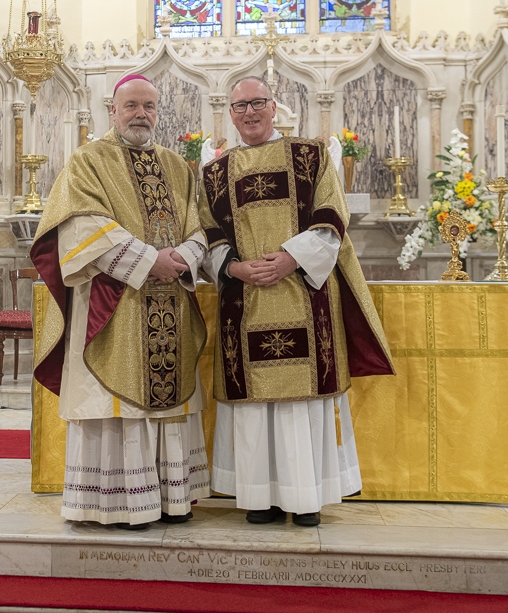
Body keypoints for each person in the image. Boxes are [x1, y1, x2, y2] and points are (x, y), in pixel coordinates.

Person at [198, 76, 394, 527]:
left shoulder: (311, 155)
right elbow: (206, 232)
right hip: (245, 300)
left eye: (258, 103)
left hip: (304, 295)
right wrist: (234, 268)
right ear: (230, 114)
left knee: (300, 401)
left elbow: (332, 216)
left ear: (274, 108)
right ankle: (259, 496)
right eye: (240, 106)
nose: (250, 112)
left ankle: (306, 497)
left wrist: (290, 258)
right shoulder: (213, 173)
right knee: (253, 403)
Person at [31, 74, 210, 530]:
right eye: (131, 105)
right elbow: (81, 226)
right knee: (118, 405)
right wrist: (151, 261)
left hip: (170, 303)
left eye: (149, 106)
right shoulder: (88, 160)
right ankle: (120, 505)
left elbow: (199, 227)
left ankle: (170, 500)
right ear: (113, 110)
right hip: (114, 304)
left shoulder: (177, 166)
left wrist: (183, 258)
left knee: (165, 402)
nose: (141, 114)